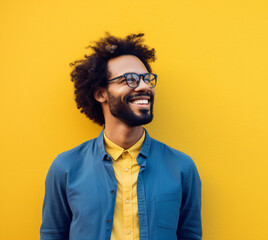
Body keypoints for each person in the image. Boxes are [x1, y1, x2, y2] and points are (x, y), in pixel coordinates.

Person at [40, 33, 202, 240]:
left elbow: (190, 234)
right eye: (130, 80)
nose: (144, 86)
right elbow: (52, 235)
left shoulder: (182, 167)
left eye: (146, 79)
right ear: (101, 94)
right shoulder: (66, 167)